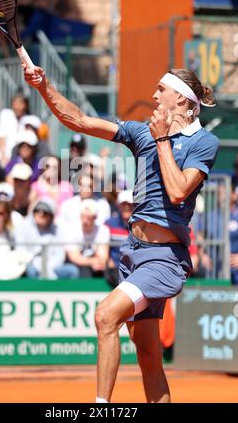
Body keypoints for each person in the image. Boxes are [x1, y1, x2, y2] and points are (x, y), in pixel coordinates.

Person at [23, 65, 219, 403]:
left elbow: (177, 192)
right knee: (148, 358)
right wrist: (45, 87)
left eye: (162, 89)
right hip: (133, 254)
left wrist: (161, 141)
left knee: (105, 315)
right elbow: (80, 120)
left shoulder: (204, 142)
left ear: (183, 101)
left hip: (164, 259)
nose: (154, 95)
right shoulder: (142, 132)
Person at [15, 197, 66, 279]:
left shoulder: (57, 231)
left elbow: (60, 255)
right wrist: (39, 265)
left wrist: (47, 267)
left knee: (72, 271)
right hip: (31, 264)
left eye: (45, 212)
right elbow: (22, 252)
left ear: (51, 216)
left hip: (52, 266)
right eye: (37, 211)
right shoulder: (23, 228)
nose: (40, 214)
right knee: (30, 271)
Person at [62, 198, 110, 278]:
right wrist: (93, 261)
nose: (85, 221)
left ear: (95, 217)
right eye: (83, 216)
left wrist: (96, 262)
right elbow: (74, 257)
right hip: (76, 265)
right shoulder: (71, 229)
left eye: (88, 217)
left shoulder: (103, 230)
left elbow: (103, 256)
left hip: (93, 264)